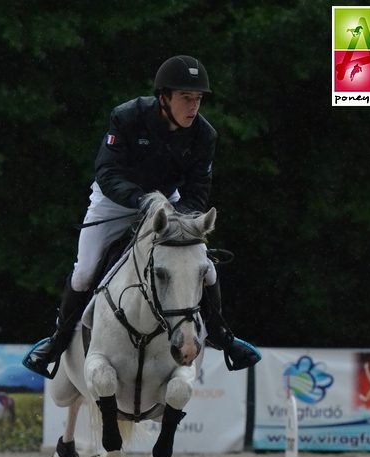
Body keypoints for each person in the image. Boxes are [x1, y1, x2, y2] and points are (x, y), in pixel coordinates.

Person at [23, 55, 261, 379]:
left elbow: (198, 188)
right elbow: (107, 172)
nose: (193, 107)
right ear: (164, 97)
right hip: (116, 202)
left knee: (204, 268)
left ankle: (222, 336)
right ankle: (57, 342)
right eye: (186, 98)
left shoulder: (204, 135)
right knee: (84, 272)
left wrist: (179, 218)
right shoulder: (127, 117)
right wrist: (142, 201)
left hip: (171, 205)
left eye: (198, 99)